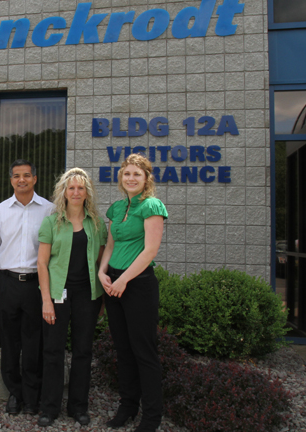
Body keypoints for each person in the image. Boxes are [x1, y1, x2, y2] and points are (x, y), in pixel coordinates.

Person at [98, 154, 168, 432]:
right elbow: (111, 246)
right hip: (113, 283)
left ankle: (151, 417)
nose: (131, 178)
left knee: (144, 352)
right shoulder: (116, 209)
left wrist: (124, 280)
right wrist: (102, 272)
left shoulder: (152, 206)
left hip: (137, 285)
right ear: (121, 178)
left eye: (137, 174)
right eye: (126, 174)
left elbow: (150, 250)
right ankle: (128, 406)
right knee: (123, 350)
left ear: (146, 178)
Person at [36, 168, 107, 427]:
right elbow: (42, 264)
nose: (76, 192)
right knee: (53, 351)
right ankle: (49, 407)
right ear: (63, 192)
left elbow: (101, 262)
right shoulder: (51, 222)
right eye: (71, 188)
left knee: (83, 352)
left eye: (81, 188)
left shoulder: (96, 224)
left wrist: (101, 299)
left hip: (87, 296)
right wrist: (46, 300)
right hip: (57, 295)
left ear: (87, 192)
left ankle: (78, 406)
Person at [0, 159, 53, 416]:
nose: (21, 180)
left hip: (37, 285)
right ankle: (15, 392)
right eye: (16, 176)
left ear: (35, 178)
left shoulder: (50, 210)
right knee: (10, 341)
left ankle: (33, 396)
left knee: (34, 342)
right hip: (7, 283)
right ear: (11, 180)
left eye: (26, 175)